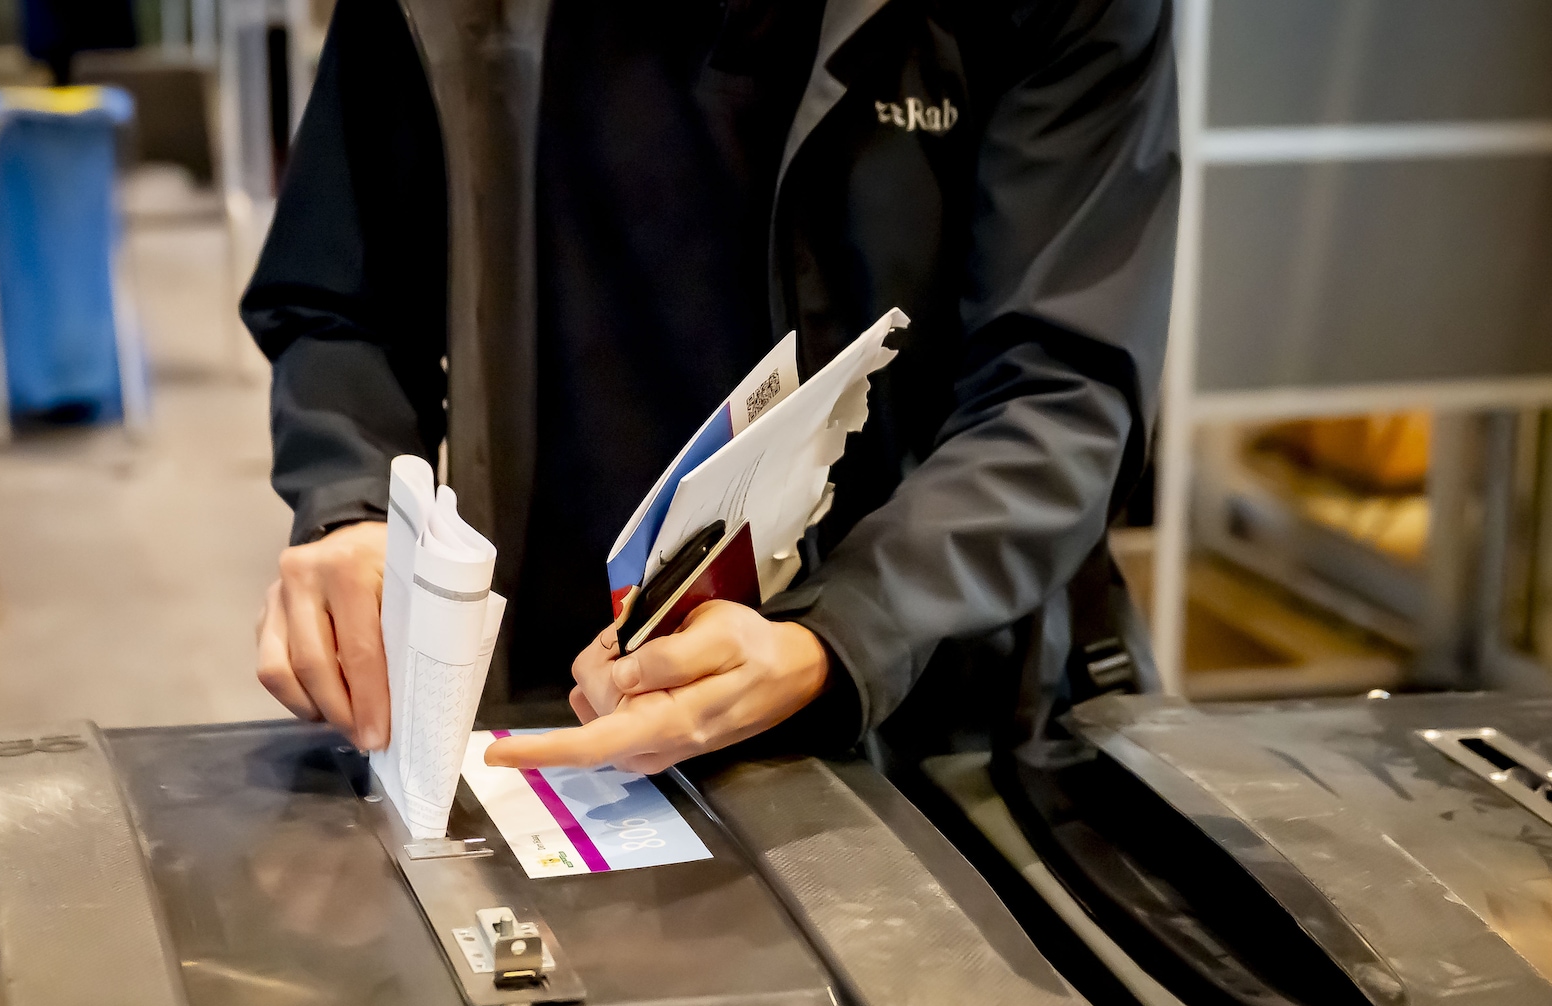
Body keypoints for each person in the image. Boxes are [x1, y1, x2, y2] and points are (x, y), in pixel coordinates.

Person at [246, 0, 1179, 777]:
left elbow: (1062, 384)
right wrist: (353, 506)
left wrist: (842, 633)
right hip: (560, 696)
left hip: (922, 707)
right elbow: (342, 297)